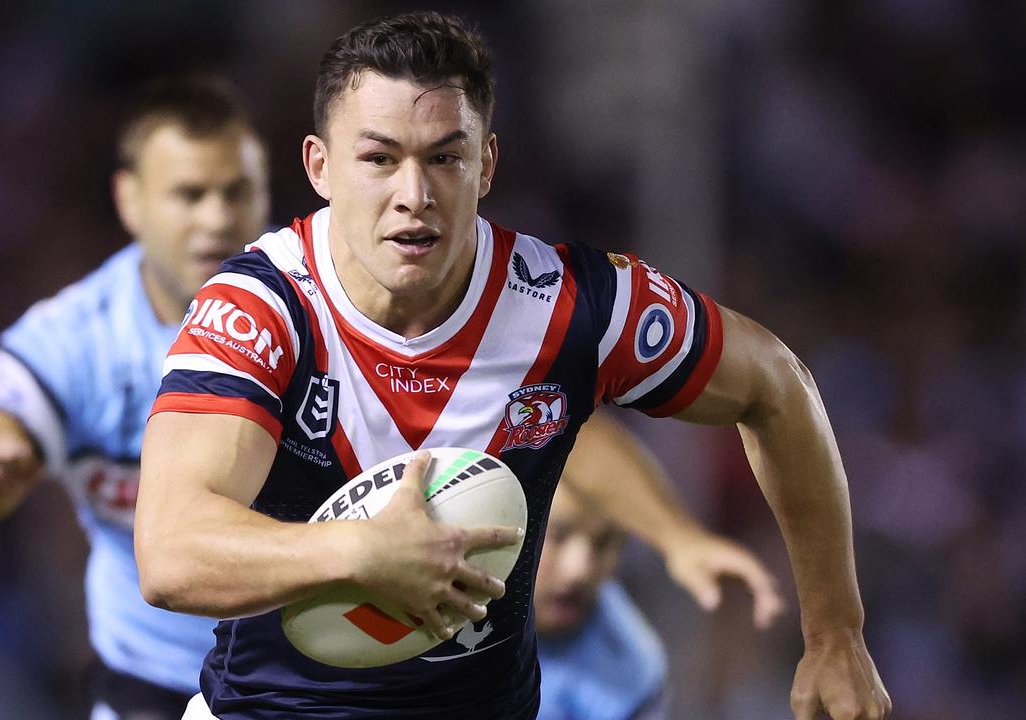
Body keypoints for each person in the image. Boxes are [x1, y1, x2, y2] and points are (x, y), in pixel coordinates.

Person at [138, 10, 890, 720]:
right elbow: (170, 554)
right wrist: (361, 553)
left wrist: (835, 633)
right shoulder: (262, 307)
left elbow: (778, 386)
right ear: (320, 165)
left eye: (444, 157)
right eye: (378, 158)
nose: (414, 195)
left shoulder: (570, 306)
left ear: (486, 163)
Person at [0, 78, 270, 719]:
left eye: (237, 192)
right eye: (188, 195)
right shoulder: (70, 342)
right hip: (153, 690)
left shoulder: (327, 305)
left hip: (317, 687)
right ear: (130, 200)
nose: (217, 219)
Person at [537, 413, 784, 720]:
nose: (579, 569)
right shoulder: (461, 604)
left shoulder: (634, 670)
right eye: (557, 536)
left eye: (604, 543)